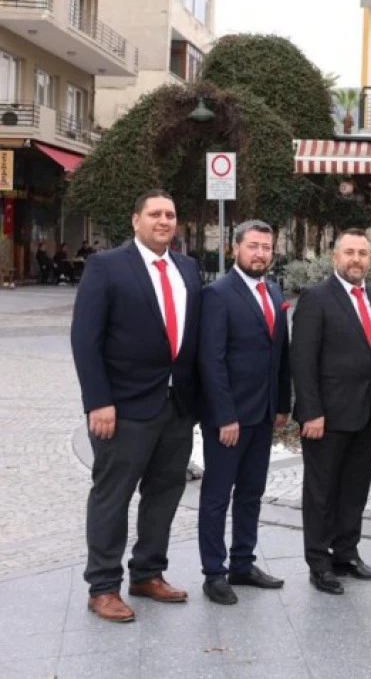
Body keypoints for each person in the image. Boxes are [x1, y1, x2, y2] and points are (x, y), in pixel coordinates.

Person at [70, 190, 202, 622]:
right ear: (136, 220)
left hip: (177, 406)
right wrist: (98, 401)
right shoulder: (106, 266)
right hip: (123, 408)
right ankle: (103, 586)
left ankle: (147, 573)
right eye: (155, 214)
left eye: (170, 214)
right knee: (113, 495)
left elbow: (192, 338)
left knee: (164, 492)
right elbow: (85, 339)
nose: (164, 221)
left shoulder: (187, 268)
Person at [291, 228, 371, 595]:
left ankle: (346, 553)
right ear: (335, 257)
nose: (356, 259)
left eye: (362, 253)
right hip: (327, 416)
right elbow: (302, 360)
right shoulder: (316, 298)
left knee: (354, 489)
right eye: (349, 252)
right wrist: (310, 412)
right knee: (321, 493)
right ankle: (319, 563)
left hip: (367, 413)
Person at [196, 220, 292, 606]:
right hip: (229, 420)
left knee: (252, 493)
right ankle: (214, 572)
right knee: (217, 496)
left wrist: (282, 405)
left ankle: (242, 563)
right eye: (253, 246)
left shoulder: (274, 291)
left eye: (266, 247)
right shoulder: (217, 294)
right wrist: (225, 416)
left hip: (263, 415)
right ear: (234, 248)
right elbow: (211, 360)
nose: (260, 254)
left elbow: (280, 353)